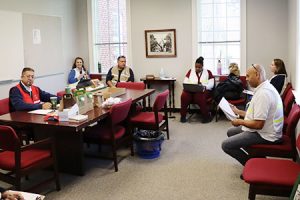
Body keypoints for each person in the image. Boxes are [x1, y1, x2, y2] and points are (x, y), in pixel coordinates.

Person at [221, 64, 283, 166]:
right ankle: (257, 158)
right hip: (266, 129)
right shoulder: (264, 87)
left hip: (267, 135)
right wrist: (238, 111)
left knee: (226, 145)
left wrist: (240, 121)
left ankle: (252, 165)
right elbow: (256, 114)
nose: (246, 79)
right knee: (231, 132)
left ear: (257, 75)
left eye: (248, 76)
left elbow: (258, 124)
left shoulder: (264, 94)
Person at [180, 56, 214, 123]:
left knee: (199, 97)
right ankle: (183, 116)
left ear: (202, 66)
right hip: (191, 90)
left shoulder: (208, 72)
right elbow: (185, 81)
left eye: (199, 67)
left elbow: (211, 84)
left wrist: (204, 86)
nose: (197, 68)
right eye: (196, 67)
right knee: (184, 96)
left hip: (203, 90)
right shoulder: (190, 71)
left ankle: (206, 116)